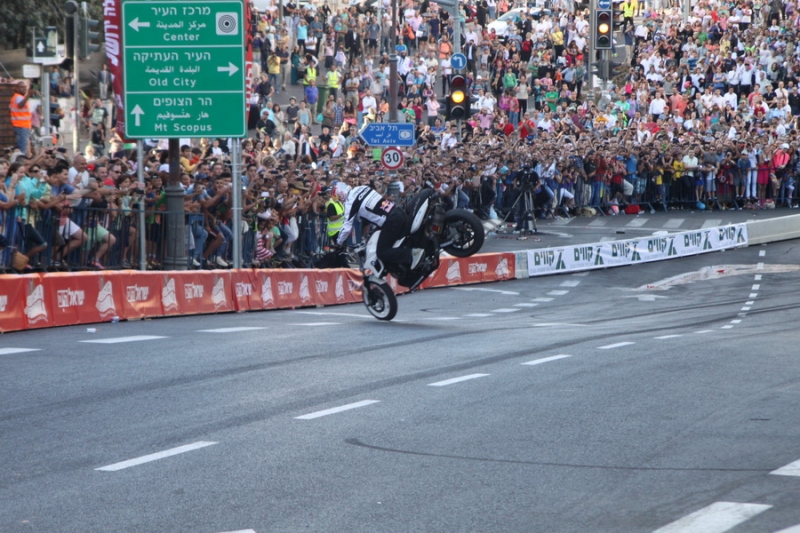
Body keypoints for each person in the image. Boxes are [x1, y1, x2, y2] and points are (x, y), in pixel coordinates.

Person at [333, 182, 424, 271]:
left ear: (342, 194)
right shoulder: (362, 188)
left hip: (390, 221)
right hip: (397, 211)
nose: (341, 201)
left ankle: (411, 255)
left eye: (339, 198)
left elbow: (346, 229)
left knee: (382, 252)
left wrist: (339, 243)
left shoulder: (350, 202)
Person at [9, 82, 33, 156]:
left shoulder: (15, 97)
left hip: (19, 126)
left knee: (22, 146)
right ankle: (20, 163)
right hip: (21, 126)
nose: (24, 89)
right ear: (16, 88)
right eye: (22, 87)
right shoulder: (18, 97)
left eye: (25, 87)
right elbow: (20, 105)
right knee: (22, 148)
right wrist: (28, 95)